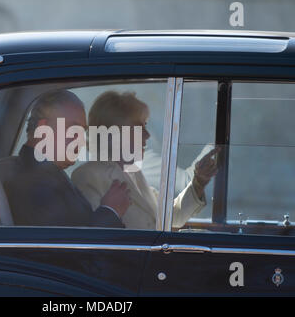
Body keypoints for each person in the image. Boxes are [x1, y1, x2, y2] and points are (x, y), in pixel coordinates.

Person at [71, 91, 218, 230]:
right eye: (138, 126)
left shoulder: (133, 172)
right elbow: (97, 238)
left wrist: (199, 182)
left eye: (145, 125)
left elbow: (169, 216)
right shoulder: (88, 176)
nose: (147, 135)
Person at [0, 89, 130, 228]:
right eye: (74, 130)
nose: (81, 141)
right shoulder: (35, 184)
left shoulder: (44, 173)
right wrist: (111, 211)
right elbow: (69, 244)